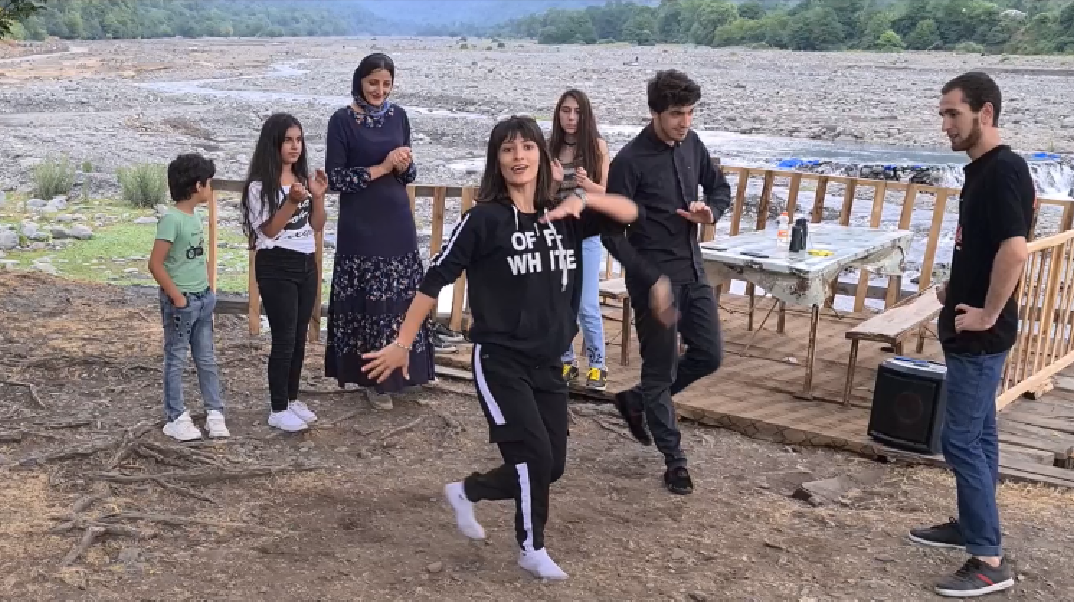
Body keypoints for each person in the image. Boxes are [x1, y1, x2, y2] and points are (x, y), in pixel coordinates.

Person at [360, 116, 672, 580]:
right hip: (500, 359)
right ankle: (531, 547)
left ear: (542, 158)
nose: (518, 157)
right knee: (533, 456)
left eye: (527, 147)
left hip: (550, 361)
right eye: (507, 150)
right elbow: (434, 280)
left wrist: (584, 199)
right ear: (497, 161)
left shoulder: (562, 215)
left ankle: (467, 491)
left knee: (552, 466)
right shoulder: (484, 219)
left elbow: (630, 212)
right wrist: (403, 343)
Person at [908, 71, 1029, 598]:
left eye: (953, 113)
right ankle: (974, 526)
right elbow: (981, 246)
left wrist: (986, 312)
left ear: (986, 113)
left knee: (959, 439)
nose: (945, 124)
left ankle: (988, 559)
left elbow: (1015, 250)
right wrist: (954, 287)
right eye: (942, 114)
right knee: (979, 434)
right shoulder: (981, 170)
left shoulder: (1003, 171)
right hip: (969, 324)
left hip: (980, 334)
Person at [601, 69, 732, 496]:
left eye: (690, 112)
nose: (685, 122)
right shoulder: (629, 162)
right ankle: (675, 460)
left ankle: (637, 399)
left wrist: (710, 212)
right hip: (653, 282)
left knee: (709, 355)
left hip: (693, 271)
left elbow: (720, 189)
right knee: (660, 370)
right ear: (656, 112)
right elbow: (611, 235)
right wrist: (650, 278)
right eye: (677, 114)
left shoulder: (692, 144)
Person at [324, 52, 437, 411]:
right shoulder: (341, 121)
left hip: (397, 221)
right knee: (369, 301)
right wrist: (383, 167)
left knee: (402, 298)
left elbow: (409, 175)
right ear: (360, 81)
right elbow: (336, 179)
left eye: (386, 84)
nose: (380, 90)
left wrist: (404, 166)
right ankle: (375, 381)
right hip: (360, 226)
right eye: (373, 82)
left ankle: (405, 372)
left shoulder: (399, 116)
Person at [240, 113, 328, 433]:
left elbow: (317, 224)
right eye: (288, 140)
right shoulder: (259, 186)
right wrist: (291, 202)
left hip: (305, 261)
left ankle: (291, 399)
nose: (295, 146)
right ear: (273, 143)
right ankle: (277, 408)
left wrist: (318, 197)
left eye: (299, 140)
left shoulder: (301, 180)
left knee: (300, 336)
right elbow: (270, 230)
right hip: (276, 264)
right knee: (284, 338)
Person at [148, 153, 229, 442]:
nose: (210, 188)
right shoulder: (171, 220)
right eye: (209, 183)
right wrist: (177, 297)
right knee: (177, 358)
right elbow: (155, 263)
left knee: (206, 358)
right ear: (197, 186)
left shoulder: (193, 217)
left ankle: (214, 411)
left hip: (202, 299)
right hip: (182, 303)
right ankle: (175, 416)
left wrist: (207, 289)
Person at [549, 89, 612, 391]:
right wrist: (555, 182)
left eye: (577, 111)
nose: (571, 118)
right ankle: (567, 360)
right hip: (558, 235)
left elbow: (608, 192)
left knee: (586, 304)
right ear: (558, 114)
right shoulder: (550, 147)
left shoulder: (596, 146)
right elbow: (544, 196)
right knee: (561, 302)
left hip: (586, 234)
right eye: (566, 111)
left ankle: (598, 365)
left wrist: (588, 185)